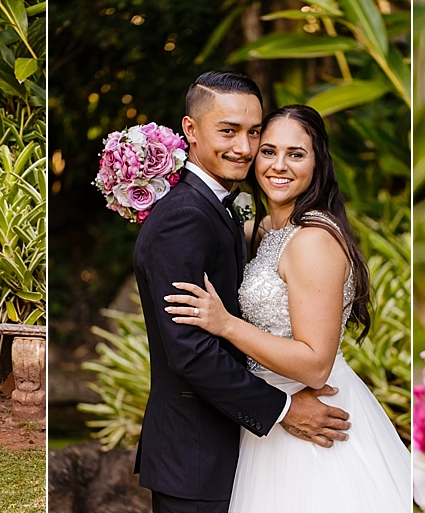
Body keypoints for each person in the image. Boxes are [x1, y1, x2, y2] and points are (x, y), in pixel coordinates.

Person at [163, 104, 411, 512]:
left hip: (311, 415)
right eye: (269, 151)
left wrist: (226, 324)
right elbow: (201, 224)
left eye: (296, 154)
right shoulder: (264, 231)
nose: (279, 165)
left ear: (317, 163)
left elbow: (315, 365)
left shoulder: (313, 241)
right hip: (271, 415)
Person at [130, 71, 354, 513]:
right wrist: (283, 409)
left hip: (242, 441)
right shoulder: (187, 216)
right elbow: (190, 350)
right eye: (229, 131)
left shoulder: (233, 216)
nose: (245, 148)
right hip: (198, 451)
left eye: (254, 133)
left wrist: (229, 326)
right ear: (191, 129)